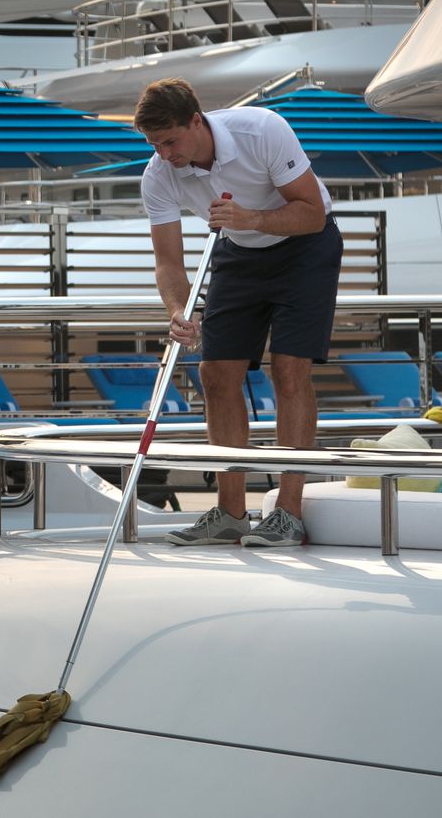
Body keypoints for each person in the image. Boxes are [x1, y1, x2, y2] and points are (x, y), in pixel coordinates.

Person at [134, 78, 341, 548]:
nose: (164, 154)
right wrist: (178, 310)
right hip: (239, 252)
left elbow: (311, 212)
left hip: (305, 247)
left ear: (196, 120)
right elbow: (168, 261)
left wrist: (252, 218)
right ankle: (231, 511)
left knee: (289, 371)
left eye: (170, 141)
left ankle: (289, 513)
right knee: (215, 373)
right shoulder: (158, 175)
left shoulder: (261, 130)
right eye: (154, 144)